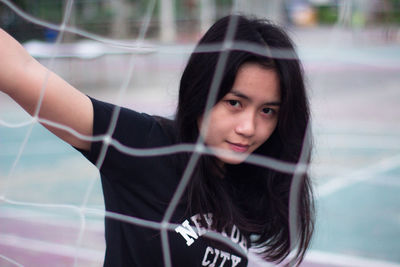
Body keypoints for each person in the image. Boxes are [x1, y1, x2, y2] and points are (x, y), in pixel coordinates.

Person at [0, 14, 314, 267]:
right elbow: (22, 71)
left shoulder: (250, 178)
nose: (249, 127)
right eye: (235, 102)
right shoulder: (144, 144)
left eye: (268, 111)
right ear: (202, 90)